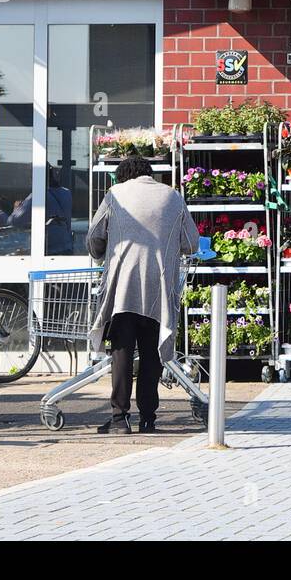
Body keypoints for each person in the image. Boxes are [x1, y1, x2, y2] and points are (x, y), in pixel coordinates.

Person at [86, 155, 199, 434]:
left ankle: (119, 419)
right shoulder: (173, 197)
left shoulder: (115, 195)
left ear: (124, 175)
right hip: (159, 287)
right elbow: (192, 242)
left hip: (123, 287)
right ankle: (148, 418)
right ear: (149, 174)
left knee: (122, 351)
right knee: (151, 354)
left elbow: (94, 237)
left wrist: (101, 252)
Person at [8, 166, 74, 255]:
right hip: (66, 247)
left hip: (48, 250)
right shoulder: (66, 193)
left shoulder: (37, 195)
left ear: (36, 177)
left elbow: (15, 221)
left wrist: (16, 208)